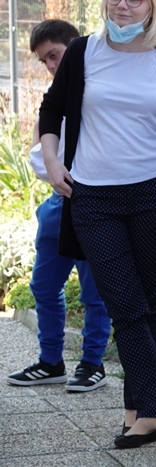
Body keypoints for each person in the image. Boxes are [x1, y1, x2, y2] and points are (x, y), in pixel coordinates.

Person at [38, 0, 156, 448]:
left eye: (135, 0)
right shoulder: (84, 51)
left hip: (153, 191)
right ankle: (149, 413)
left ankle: (140, 412)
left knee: (145, 304)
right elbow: (52, 109)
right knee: (125, 303)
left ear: (153, 6)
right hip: (92, 196)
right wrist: (52, 158)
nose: (123, 7)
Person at [6, 20, 111, 393]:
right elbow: (39, 159)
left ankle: (92, 363)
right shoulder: (55, 96)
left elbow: (55, 154)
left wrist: (54, 160)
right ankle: (51, 361)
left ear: (77, 47)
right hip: (57, 204)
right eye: (45, 61)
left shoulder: (98, 91)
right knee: (43, 285)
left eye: (55, 55)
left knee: (95, 290)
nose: (51, 66)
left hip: (93, 203)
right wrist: (54, 162)